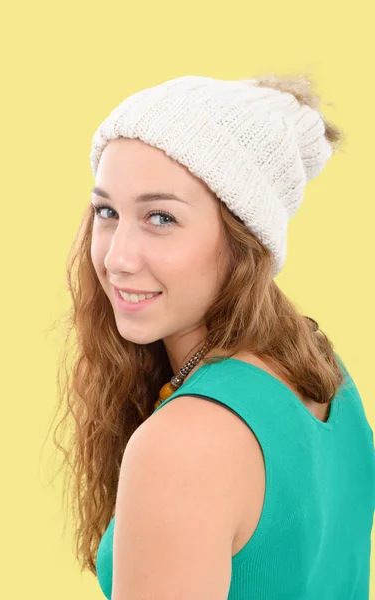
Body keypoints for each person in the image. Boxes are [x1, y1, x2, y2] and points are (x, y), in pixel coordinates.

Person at [51, 73, 375, 599]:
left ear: (245, 239)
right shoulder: (324, 370)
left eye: (160, 217)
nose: (116, 258)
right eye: (107, 212)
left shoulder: (185, 443)